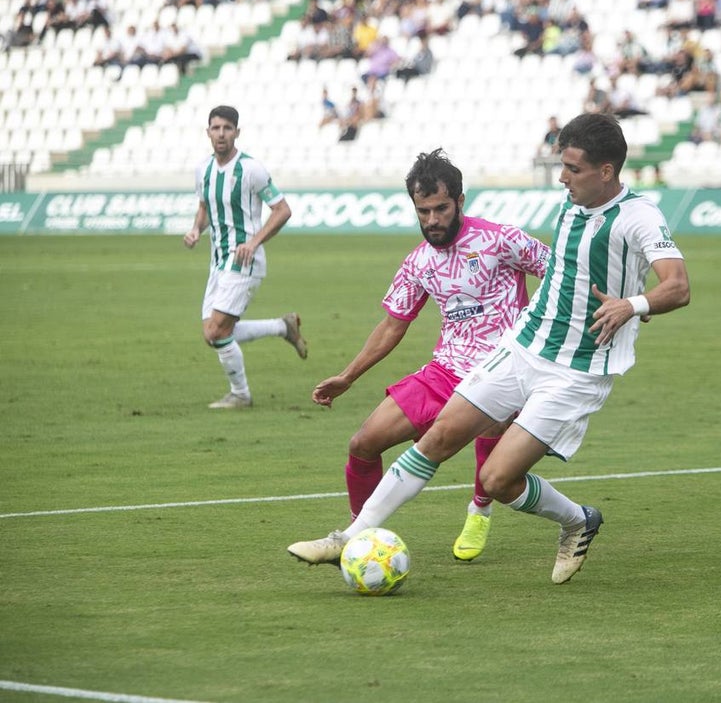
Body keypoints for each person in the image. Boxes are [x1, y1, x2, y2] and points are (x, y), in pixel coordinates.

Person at [288, 113, 691, 584]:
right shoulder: (571, 208)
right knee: (437, 438)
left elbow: (678, 286)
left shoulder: (639, 216)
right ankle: (348, 537)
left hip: (576, 369)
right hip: (523, 346)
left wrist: (633, 304)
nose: (562, 177)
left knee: (498, 480)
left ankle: (578, 521)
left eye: (572, 169)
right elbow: (561, 274)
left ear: (605, 171)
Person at [302, 148, 551, 560]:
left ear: (459, 201)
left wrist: (618, 306)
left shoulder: (500, 239)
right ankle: (360, 535)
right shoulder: (418, 263)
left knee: (493, 427)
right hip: (445, 370)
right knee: (363, 443)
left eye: (441, 209)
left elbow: (562, 273)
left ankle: (479, 510)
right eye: (423, 211)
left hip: (502, 369)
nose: (432, 220)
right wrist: (348, 376)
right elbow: (392, 326)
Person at [183, 105, 308, 409]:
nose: (221, 134)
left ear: (237, 132)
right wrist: (196, 229)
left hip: (244, 262)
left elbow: (282, 210)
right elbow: (205, 207)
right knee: (213, 334)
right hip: (218, 261)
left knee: (217, 330)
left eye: (227, 128)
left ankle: (240, 395)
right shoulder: (203, 170)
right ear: (208, 132)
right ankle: (283, 327)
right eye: (216, 128)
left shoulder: (251, 170)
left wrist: (254, 242)